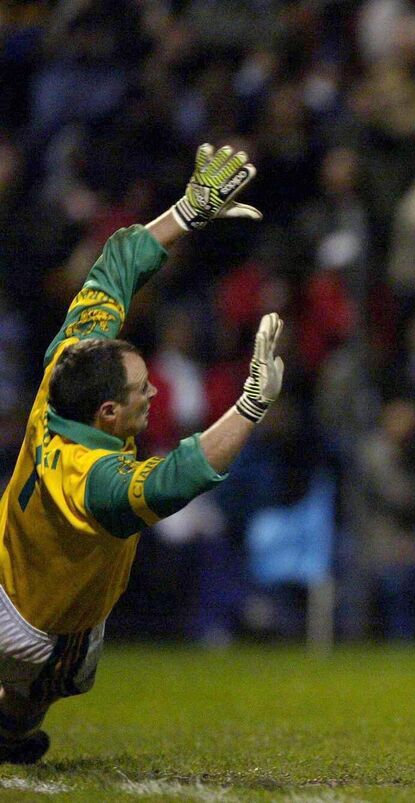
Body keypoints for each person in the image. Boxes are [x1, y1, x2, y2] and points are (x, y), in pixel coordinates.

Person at [0, 144, 284, 763]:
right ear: (108, 414)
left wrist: (187, 211)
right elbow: (173, 479)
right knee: (42, 688)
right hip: (39, 621)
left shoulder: (70, 360)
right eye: (140, 390)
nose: (153, 389)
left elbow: (118, 263)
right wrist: (250, 407)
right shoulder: (93, 481)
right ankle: (12, 728)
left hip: (8, 569)